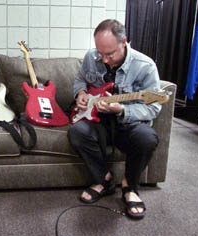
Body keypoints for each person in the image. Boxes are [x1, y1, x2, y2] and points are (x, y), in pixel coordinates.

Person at [67, 19, 161, 220]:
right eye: (100, 53)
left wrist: (121, 109)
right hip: (98, 123)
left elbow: (153, 107)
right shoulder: (91, 58)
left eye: (109, 54)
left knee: (147, 138)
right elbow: (80, 79)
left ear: (124, 42)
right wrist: (81, 93)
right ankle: (104, 180)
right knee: (76, 131)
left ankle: (130, 187)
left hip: (126, 124)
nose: (105, 59)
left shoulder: (145, 66)